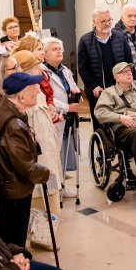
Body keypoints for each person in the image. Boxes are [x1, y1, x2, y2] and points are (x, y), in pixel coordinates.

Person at [0, 72, 50, 247]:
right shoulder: (13, 124)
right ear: (20, 95)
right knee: (15, 236)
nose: (38, 91)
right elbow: (26, 168)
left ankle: (5, 258)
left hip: (2, 184)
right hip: (14, 189)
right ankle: (15, 262)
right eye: (33, 88)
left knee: (5, 230)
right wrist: (46, 173)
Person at [13, 50, 67, 212]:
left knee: (53, 197)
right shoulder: (23, 96)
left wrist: (51, 115)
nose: (40, 68)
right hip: (39, 160)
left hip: (49, 154)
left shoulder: (37, 90)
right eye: (37, 65)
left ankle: (53, 217)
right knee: (42, 206)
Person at [78, 8, 132, 130]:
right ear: (94, 22)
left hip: (119, 88)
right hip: (98, 91)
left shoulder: (120, 37)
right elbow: (83, 68)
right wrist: (93, 86)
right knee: (100, 123)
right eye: (103, 21)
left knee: (122, 122)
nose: (108, 23)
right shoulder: (85, 40)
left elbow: (129, 62)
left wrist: (127, 81)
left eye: (109, 20)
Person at [42, 38, 81, 172]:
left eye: (60, 49)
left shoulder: (65, 70)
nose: (59, 51)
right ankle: (59, 179)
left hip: (68, 116)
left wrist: (75, 90)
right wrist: (67, 107)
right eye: (54, 49)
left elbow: (73, 85)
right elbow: (47, 98)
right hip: (55, 114)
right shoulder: (43, 72)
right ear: (45, 55)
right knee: (56, 151)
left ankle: (63, 175)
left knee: (66, 147)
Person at [13, 35, 62, 124]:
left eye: (43, 49)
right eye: (39, 49)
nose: (43, 52)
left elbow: (48, 94)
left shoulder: (43, 72)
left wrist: (50, 107)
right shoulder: (27, 76)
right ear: (29, 51)